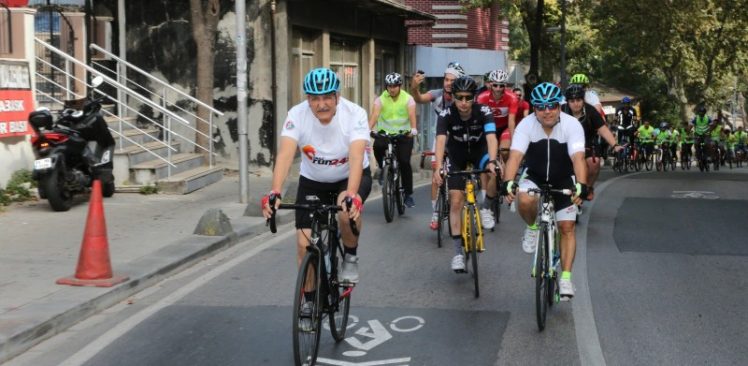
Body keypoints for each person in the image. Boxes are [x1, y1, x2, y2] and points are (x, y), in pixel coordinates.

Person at [261, 68, 372, 288]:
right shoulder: (297, 114)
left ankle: (350, 256)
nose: (322, 104)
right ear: (308, 100)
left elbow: (357, 156)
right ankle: (309, 304)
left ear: (337, 97)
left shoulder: (355, 114)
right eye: (315, 99)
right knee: (304, 246)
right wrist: (274, 191)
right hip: (312, 180)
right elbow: (284, 154)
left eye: (327, 97)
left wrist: (352, 195)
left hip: (347, 177)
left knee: (344, 210)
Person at [500, 82, 588, 300]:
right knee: (525, 198)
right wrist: (508, 182)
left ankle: (566, 278)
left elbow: (578, 158)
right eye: (540, 107)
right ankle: (531, 227)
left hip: (563, 178)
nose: (546, 111)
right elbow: (515, 157)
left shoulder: (572, 125)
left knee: (567, 227)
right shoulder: (526, 125)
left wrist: (582, 185)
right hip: (535, 177)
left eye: (551, 106)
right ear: (534, 109)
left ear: (559, 106)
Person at [432, 76, 499, 272]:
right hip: (457, 156)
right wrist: (437, 168)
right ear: (453, 97)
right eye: (459, 97)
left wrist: (493, 161)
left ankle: (486, 207)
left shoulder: (484, 111)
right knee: (455, 201)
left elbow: (492, 138)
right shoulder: (445, 114)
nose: (463, 102)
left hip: (480, 152)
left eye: (468, 98)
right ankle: (458, 254)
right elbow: (441, 141)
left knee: (494, 171)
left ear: (474, 98)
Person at [410, 62, 467, 230]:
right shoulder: (437, 94)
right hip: (441, 138)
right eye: (446, 79)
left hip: (458, 139)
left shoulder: (464, 97)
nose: (448, 83)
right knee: (437, 174)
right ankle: (435, 212)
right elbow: (419, 99)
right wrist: (414, 88)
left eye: (452, 80)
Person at [561, 84, 622, 200]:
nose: (576, 103)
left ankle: (588, 187)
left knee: (594, 162)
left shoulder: (591, 111)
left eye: (578, 100)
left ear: (583, 100)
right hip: (566, 143)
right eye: (572, 101)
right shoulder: (561, 111)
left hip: (587, 142)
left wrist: (614, 145)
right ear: (567, 101)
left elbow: (603, 129)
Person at [475, 69, 518, 229]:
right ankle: (487, 192)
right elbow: (478, 120)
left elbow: (512, 122)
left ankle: (507, 180)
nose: (498, 89)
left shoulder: (512, 97)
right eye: (495, 85)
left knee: (506, 151)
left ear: (505, 86)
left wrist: (515, 144)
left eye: (502, 85)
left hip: (504, 129)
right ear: (490, 85)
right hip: (488, 129)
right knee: (486, 159)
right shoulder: (482, 97)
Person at [369, 72, 418, 207]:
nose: (392, 89)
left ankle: (408, 194)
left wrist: (413, 129)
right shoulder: (381, 99)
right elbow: (375, 114)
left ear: (399, 86)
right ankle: (382, 168)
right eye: (389, 86)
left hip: (404, 135)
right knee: (377, 147)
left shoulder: (408, 99)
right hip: (385, 134)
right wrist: (367, 129)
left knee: (404, 162)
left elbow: (412, 114)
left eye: (395, 86)